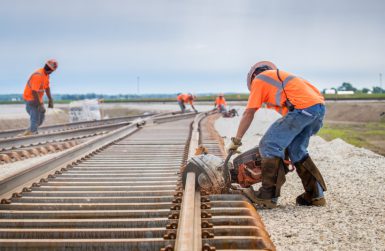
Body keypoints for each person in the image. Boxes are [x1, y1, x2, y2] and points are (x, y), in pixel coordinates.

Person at [227, 60, 327, 209]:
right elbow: (290, 120)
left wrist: (237, 140)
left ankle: (268, 196)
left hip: (303, 109)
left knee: (269, 144)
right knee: (296, 150)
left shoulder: (260, 79)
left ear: (253, 75)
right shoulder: (283, 82)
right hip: (317, 110)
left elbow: (249, 113)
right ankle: (315, 195)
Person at [22, 59, 58, 136]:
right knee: (35, 119)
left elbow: (47, 88)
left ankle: (29, 131)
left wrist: (50, 99)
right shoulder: (38, 75)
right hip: (30, 99)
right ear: (51, 70)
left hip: (37, 99)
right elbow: (34, 92)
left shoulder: (46, 75)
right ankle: (32, 135)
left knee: (40, 118)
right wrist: (40, 104)